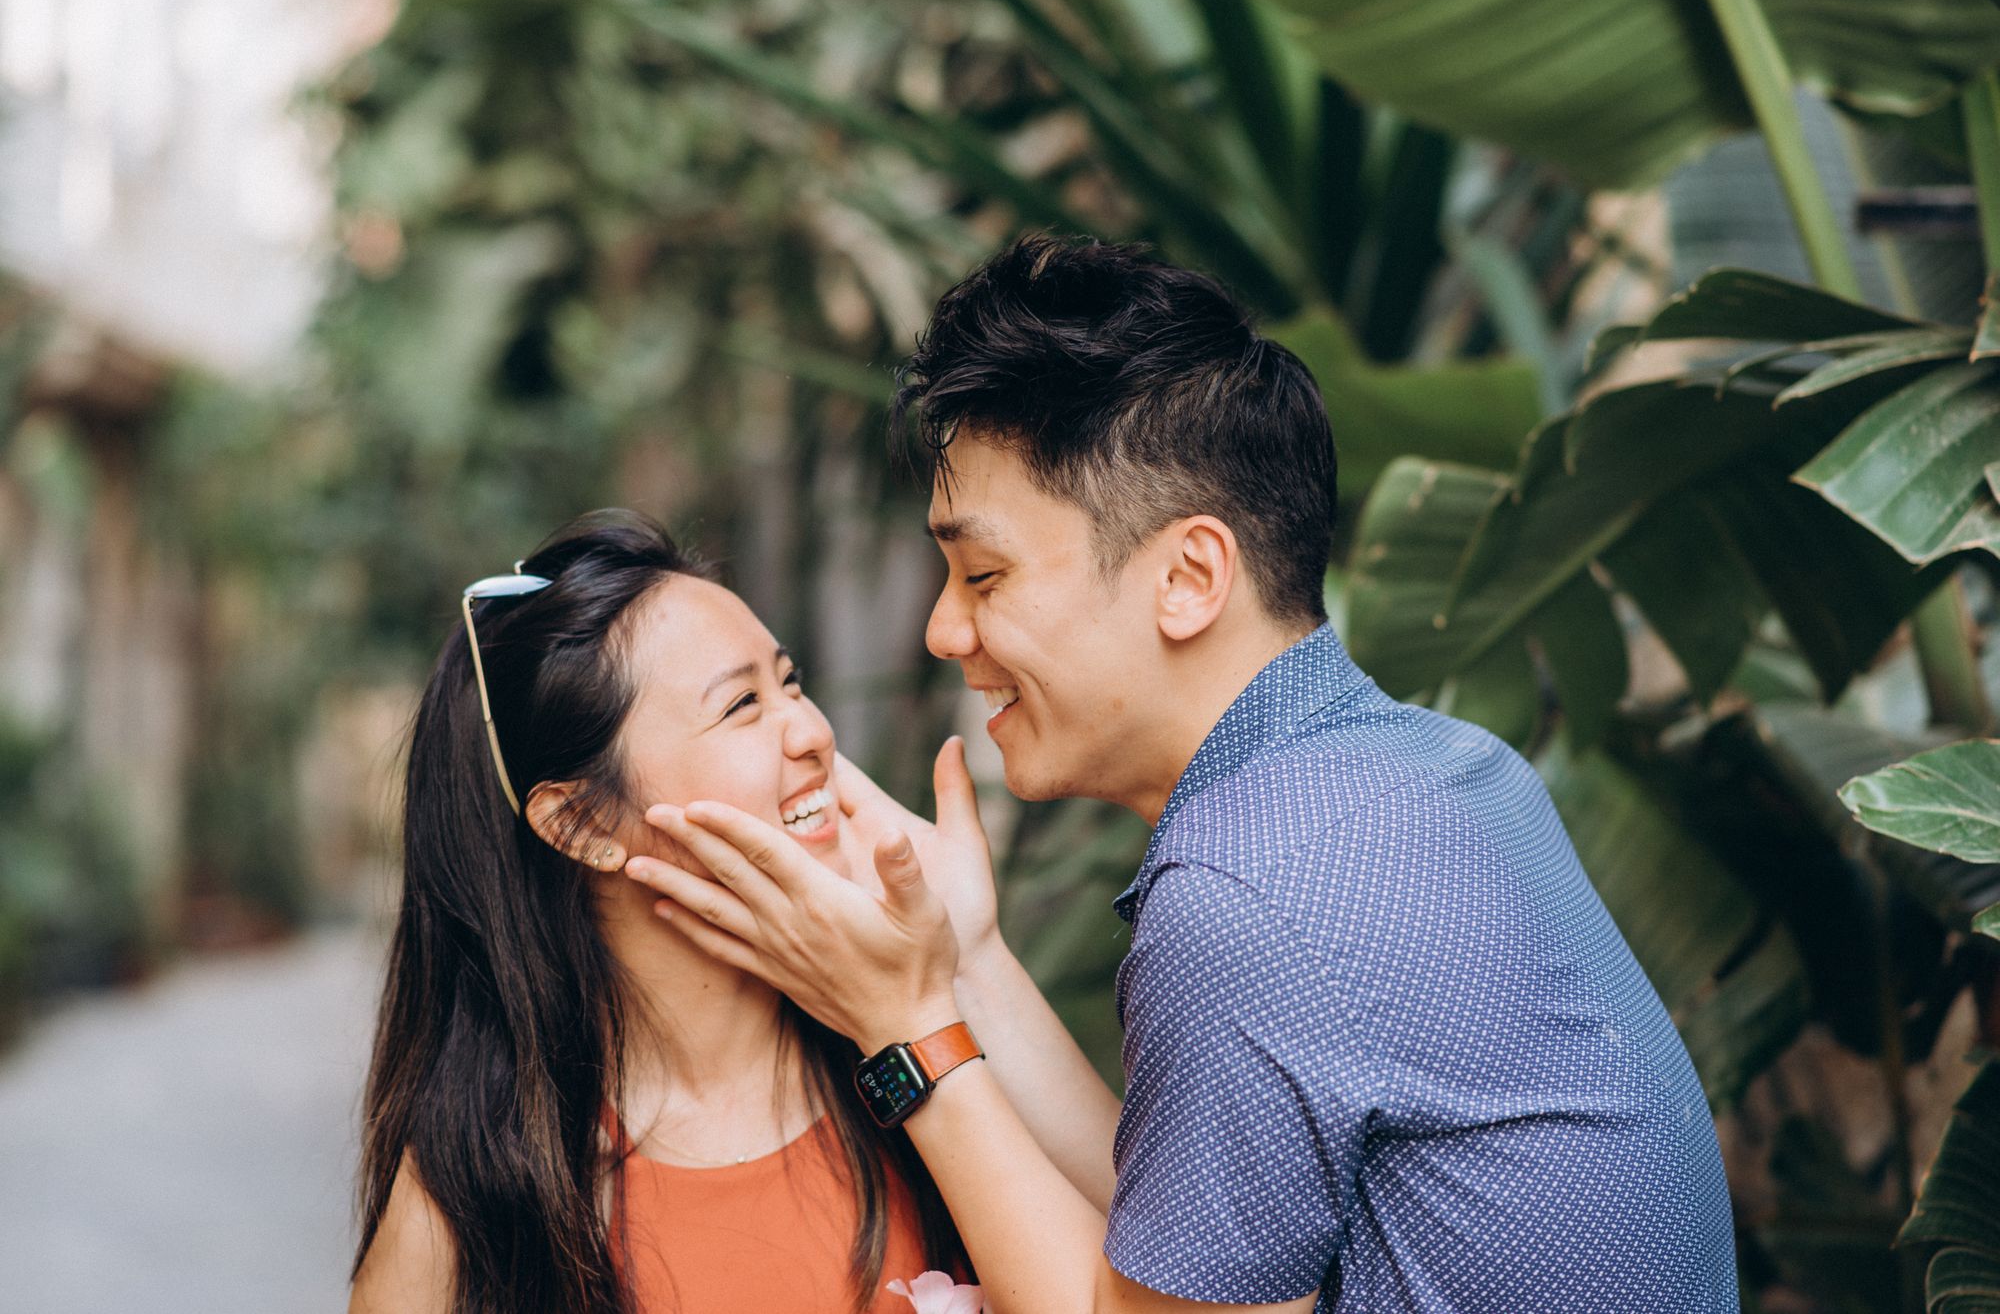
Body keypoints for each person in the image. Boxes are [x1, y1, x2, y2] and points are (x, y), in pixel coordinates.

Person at [624, 236, 1742, 1312]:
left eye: (982, 573)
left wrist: (901, 1035)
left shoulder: (1245, 899)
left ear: (1188, 577)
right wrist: (964, 962)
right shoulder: (1438, 766)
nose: (941, 631)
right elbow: (1204, 1254)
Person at [347, 512, 968, 1314]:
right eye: (743, 704)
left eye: (792, 681)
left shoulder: (923, 1055)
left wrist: (969, 958)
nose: (813, 732)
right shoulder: (477, 1195)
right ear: (583, 825)